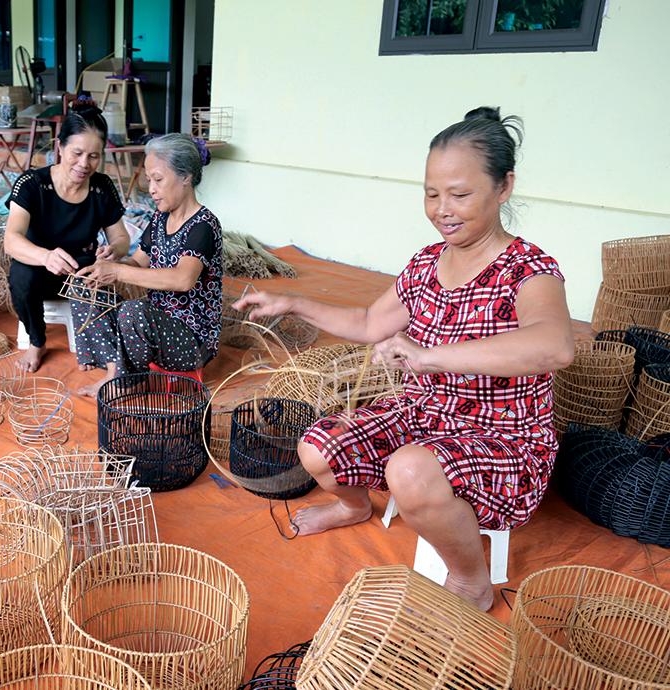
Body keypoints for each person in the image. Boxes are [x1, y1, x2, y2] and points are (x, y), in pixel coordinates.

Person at [235, 107, 574, 611]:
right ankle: (352, 508)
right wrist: (292, 302)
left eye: (460, 194)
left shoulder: (528, 268)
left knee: (411, 470)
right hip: (423, 416)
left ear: (503, 187)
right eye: (431, 194)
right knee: (317, 445)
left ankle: (470, 578)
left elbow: (554, 346)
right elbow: (371, 322)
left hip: (503, 435)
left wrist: (433, 357)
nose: (443, 209)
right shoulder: (424, 264)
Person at [75, 133, 222, 397]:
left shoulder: (204, 226)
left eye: (158, 180)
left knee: (133, 312)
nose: (151, 188)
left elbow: (183, 279)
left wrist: (119, 271)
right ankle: (116, 370)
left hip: (190, 342)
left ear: (186, 177)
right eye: (149, 180)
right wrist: (110, 263)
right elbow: (137, 262)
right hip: (155, 328)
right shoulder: (159, 218)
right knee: (85, 286)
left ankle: (125, 380)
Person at [3, 102, 131, 373]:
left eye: (94, 156)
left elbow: (120, 236)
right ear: (59, 147)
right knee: (20, 277)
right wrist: (45, 256)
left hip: (80, 268)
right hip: (38, 265)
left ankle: (96, 348)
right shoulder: (32, 184)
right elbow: (11, 240)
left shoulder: (102, 187)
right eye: (77, 153)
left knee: (98, 279)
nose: (84, 164)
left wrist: (115, 250)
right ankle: (37, 342)